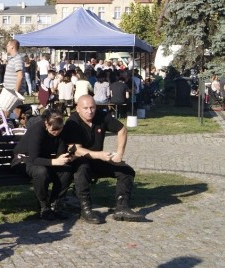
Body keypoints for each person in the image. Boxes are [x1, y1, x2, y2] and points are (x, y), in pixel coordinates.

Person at [64, 95, 145, 224]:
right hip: (79, 160)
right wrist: (99, 155)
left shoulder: (102, 116)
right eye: (85, 108)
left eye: (92, 107)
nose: (90, 111)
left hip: (99, 160)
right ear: (77, 109)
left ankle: (122, 207)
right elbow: (76, 150)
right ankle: (86, 209)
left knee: (126, 171)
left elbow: (122, 130)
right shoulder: (72, 122)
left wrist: (119, 153)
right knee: (82, 168)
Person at [12, 110, 75, 220]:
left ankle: (55, 202)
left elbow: (59, 153)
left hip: (43, 159)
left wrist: (66, 157)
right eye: (54, 129)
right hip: (24, 160)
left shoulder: (60, 131)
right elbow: (34, 159)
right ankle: (44, 205)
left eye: (59, 129)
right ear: (46, 123)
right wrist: (55, 162)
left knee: (67, 170)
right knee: (41, 172)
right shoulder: (37, 131)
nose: (57, 132)